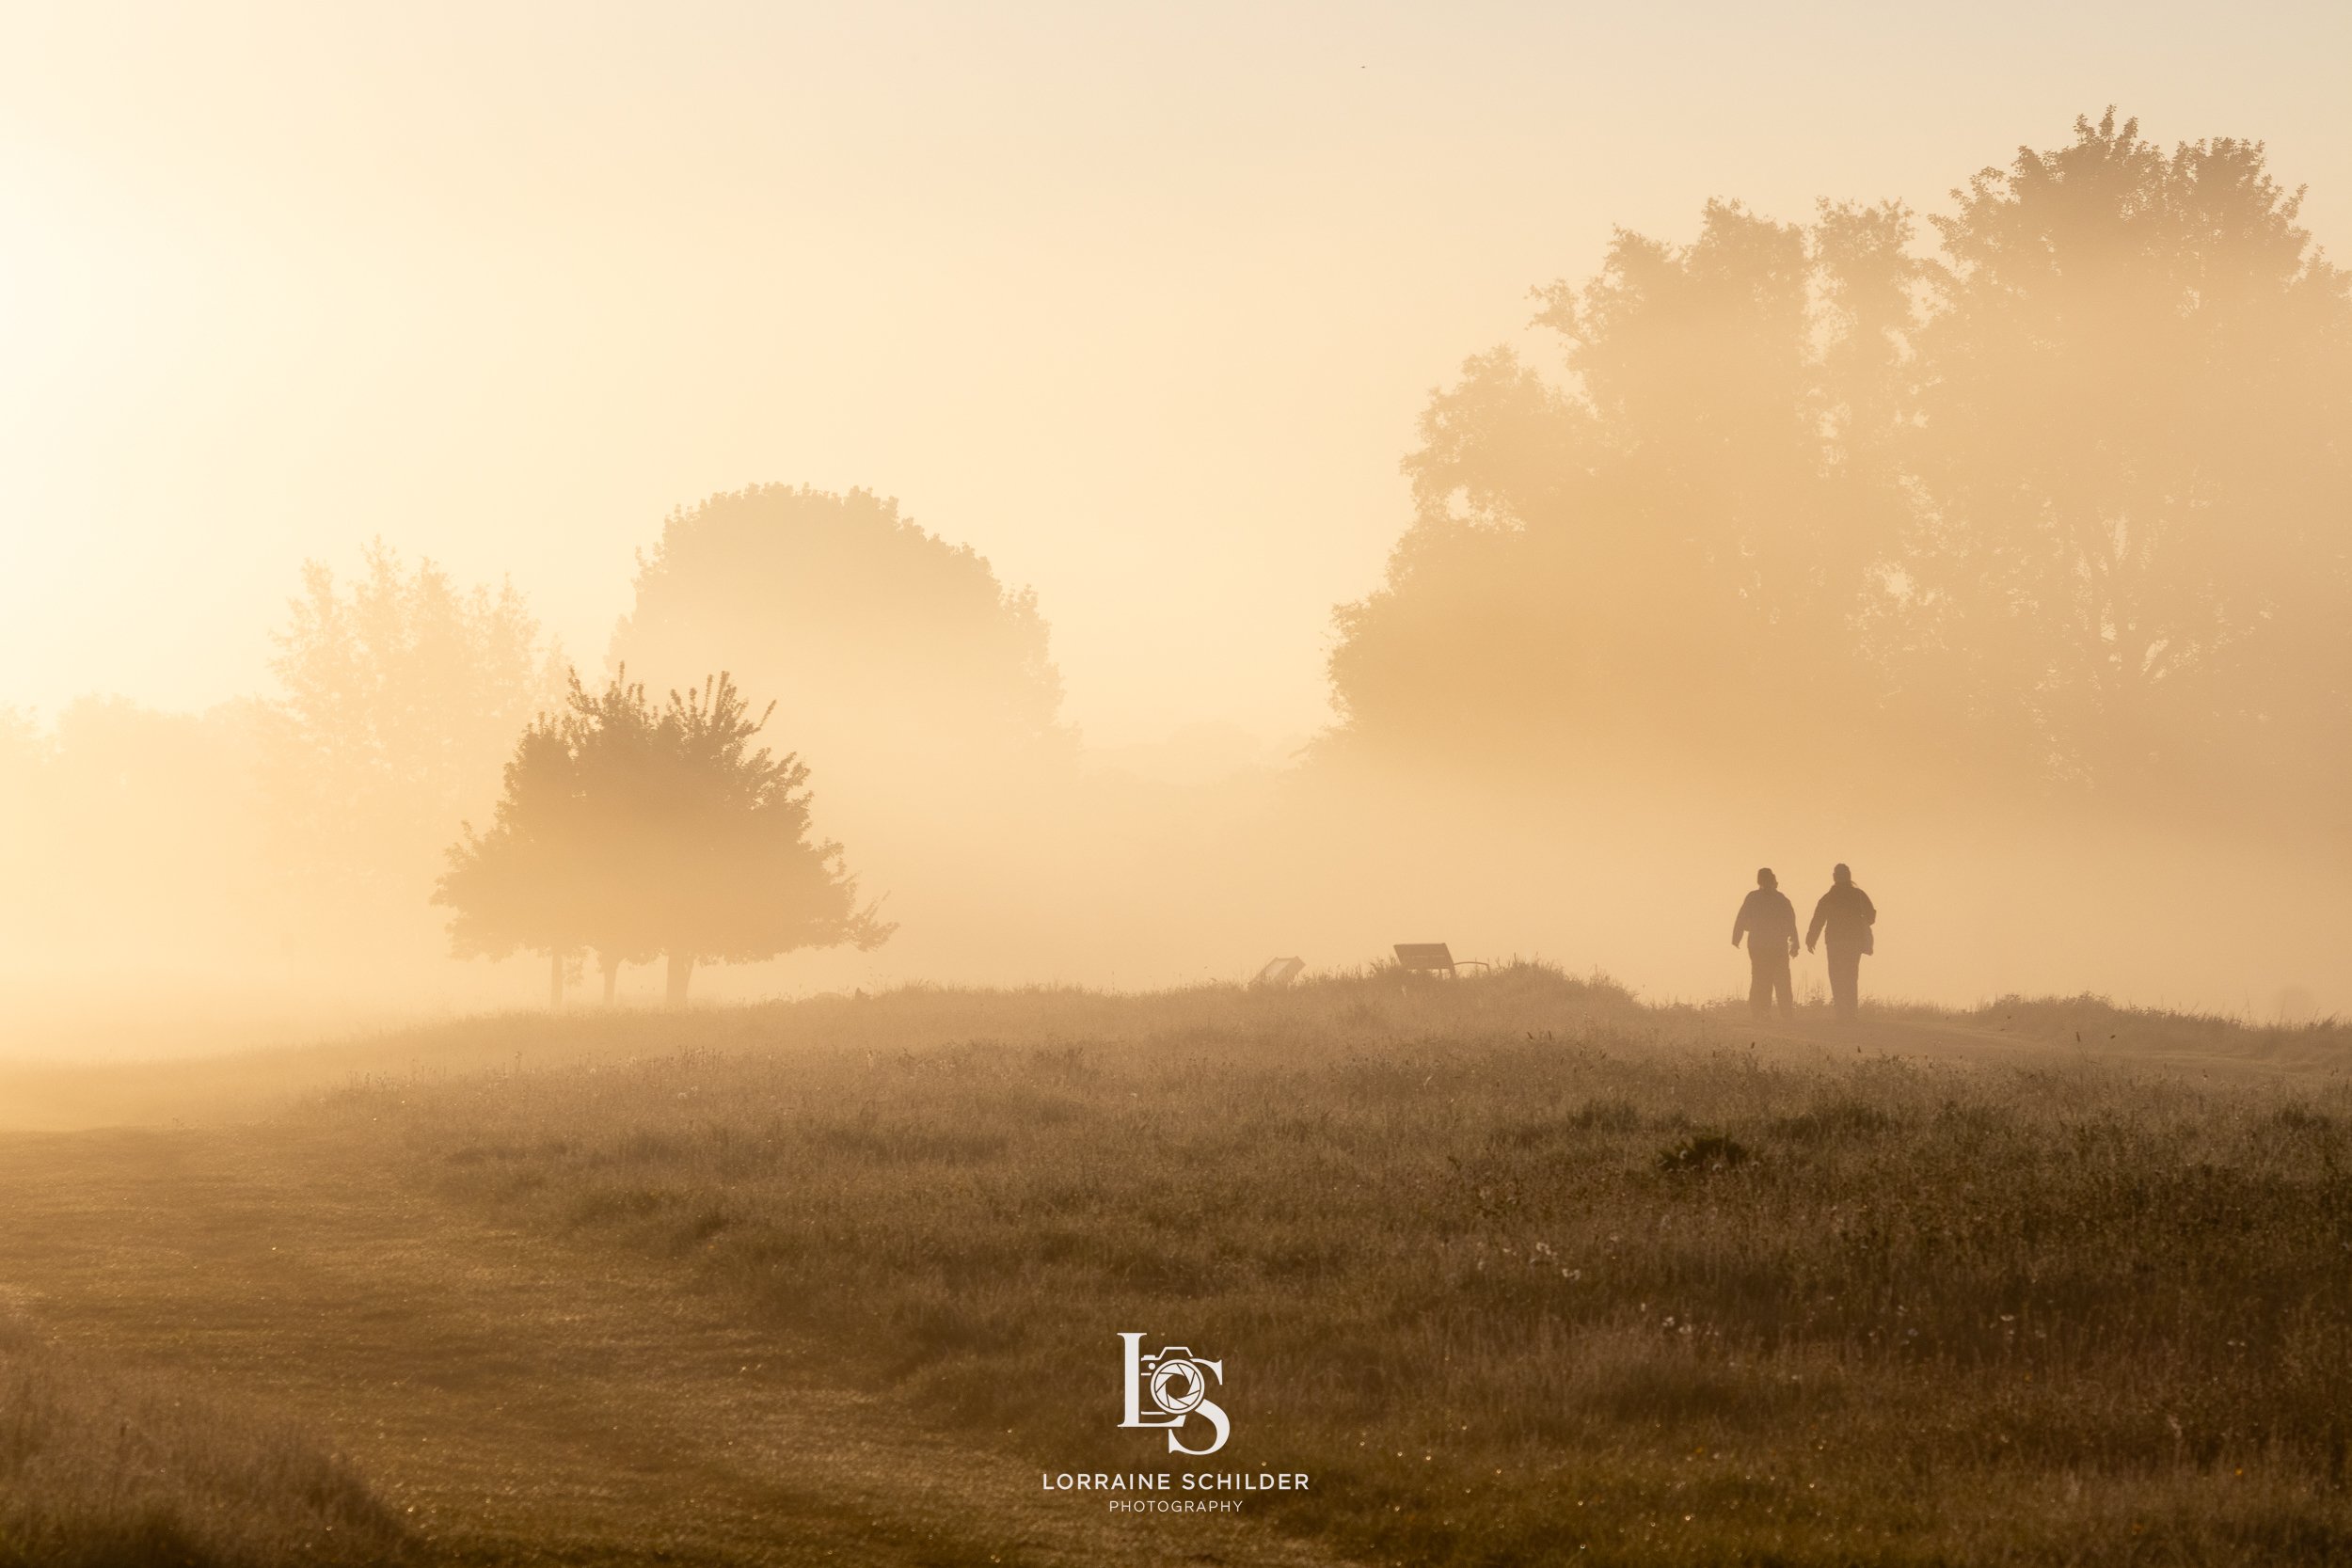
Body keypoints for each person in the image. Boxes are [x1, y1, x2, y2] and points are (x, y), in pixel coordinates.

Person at [1806, 863, 1877, 1022]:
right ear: (1849, 875)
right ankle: (1851, 1013)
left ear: (1834, 877)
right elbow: (1871, 917)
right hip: (1854, 941)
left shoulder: (1828, 897)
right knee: (1851, 976)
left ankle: (1841, 1013)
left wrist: (1811, 939)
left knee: (1836, 976)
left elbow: (1818, 919)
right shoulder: (1859, 895)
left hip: (1834, 941)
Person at [1731, 867, 1800, 1021]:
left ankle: (1762, 1012)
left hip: (1759, 945)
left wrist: (1737, 937)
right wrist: (1795, 942)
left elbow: (1741, 918)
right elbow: (1791, 922)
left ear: (1759, 881)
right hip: (1775, 945)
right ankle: (1785, 1013)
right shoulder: (1781, 899)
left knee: (1761, 978)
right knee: (1780, 979)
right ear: (1774, 880)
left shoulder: (1753, 898)